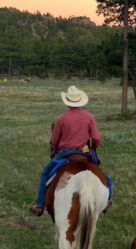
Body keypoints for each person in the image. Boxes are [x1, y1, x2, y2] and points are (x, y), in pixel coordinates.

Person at [29, 86, 102, 216]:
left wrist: (55, 147)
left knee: (44, 174)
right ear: (80, 100)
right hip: (84, 151)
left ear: (67, 101)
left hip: (66, 152)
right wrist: (93, 149)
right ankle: (106, 200)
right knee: (100, 175)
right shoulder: (89, 117)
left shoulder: (61, 119)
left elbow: (55, 141)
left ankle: (40, 206)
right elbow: (96, 139)